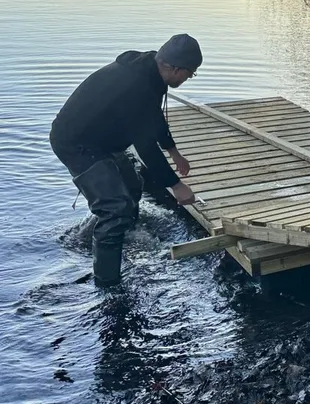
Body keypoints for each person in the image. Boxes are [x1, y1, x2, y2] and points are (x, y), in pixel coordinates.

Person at [50, 34, 201, 286]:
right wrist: (176, 186)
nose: (188, 79)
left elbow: (154, 119)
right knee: (114, 209)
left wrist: (174, 152)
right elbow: (145, 146)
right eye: (190, 73)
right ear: (174, 68)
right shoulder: (136, 86)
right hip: (76, 143)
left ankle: (126, 233)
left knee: (132, 184)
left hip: (102, 138)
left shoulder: (150, 72)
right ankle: (107, 284)